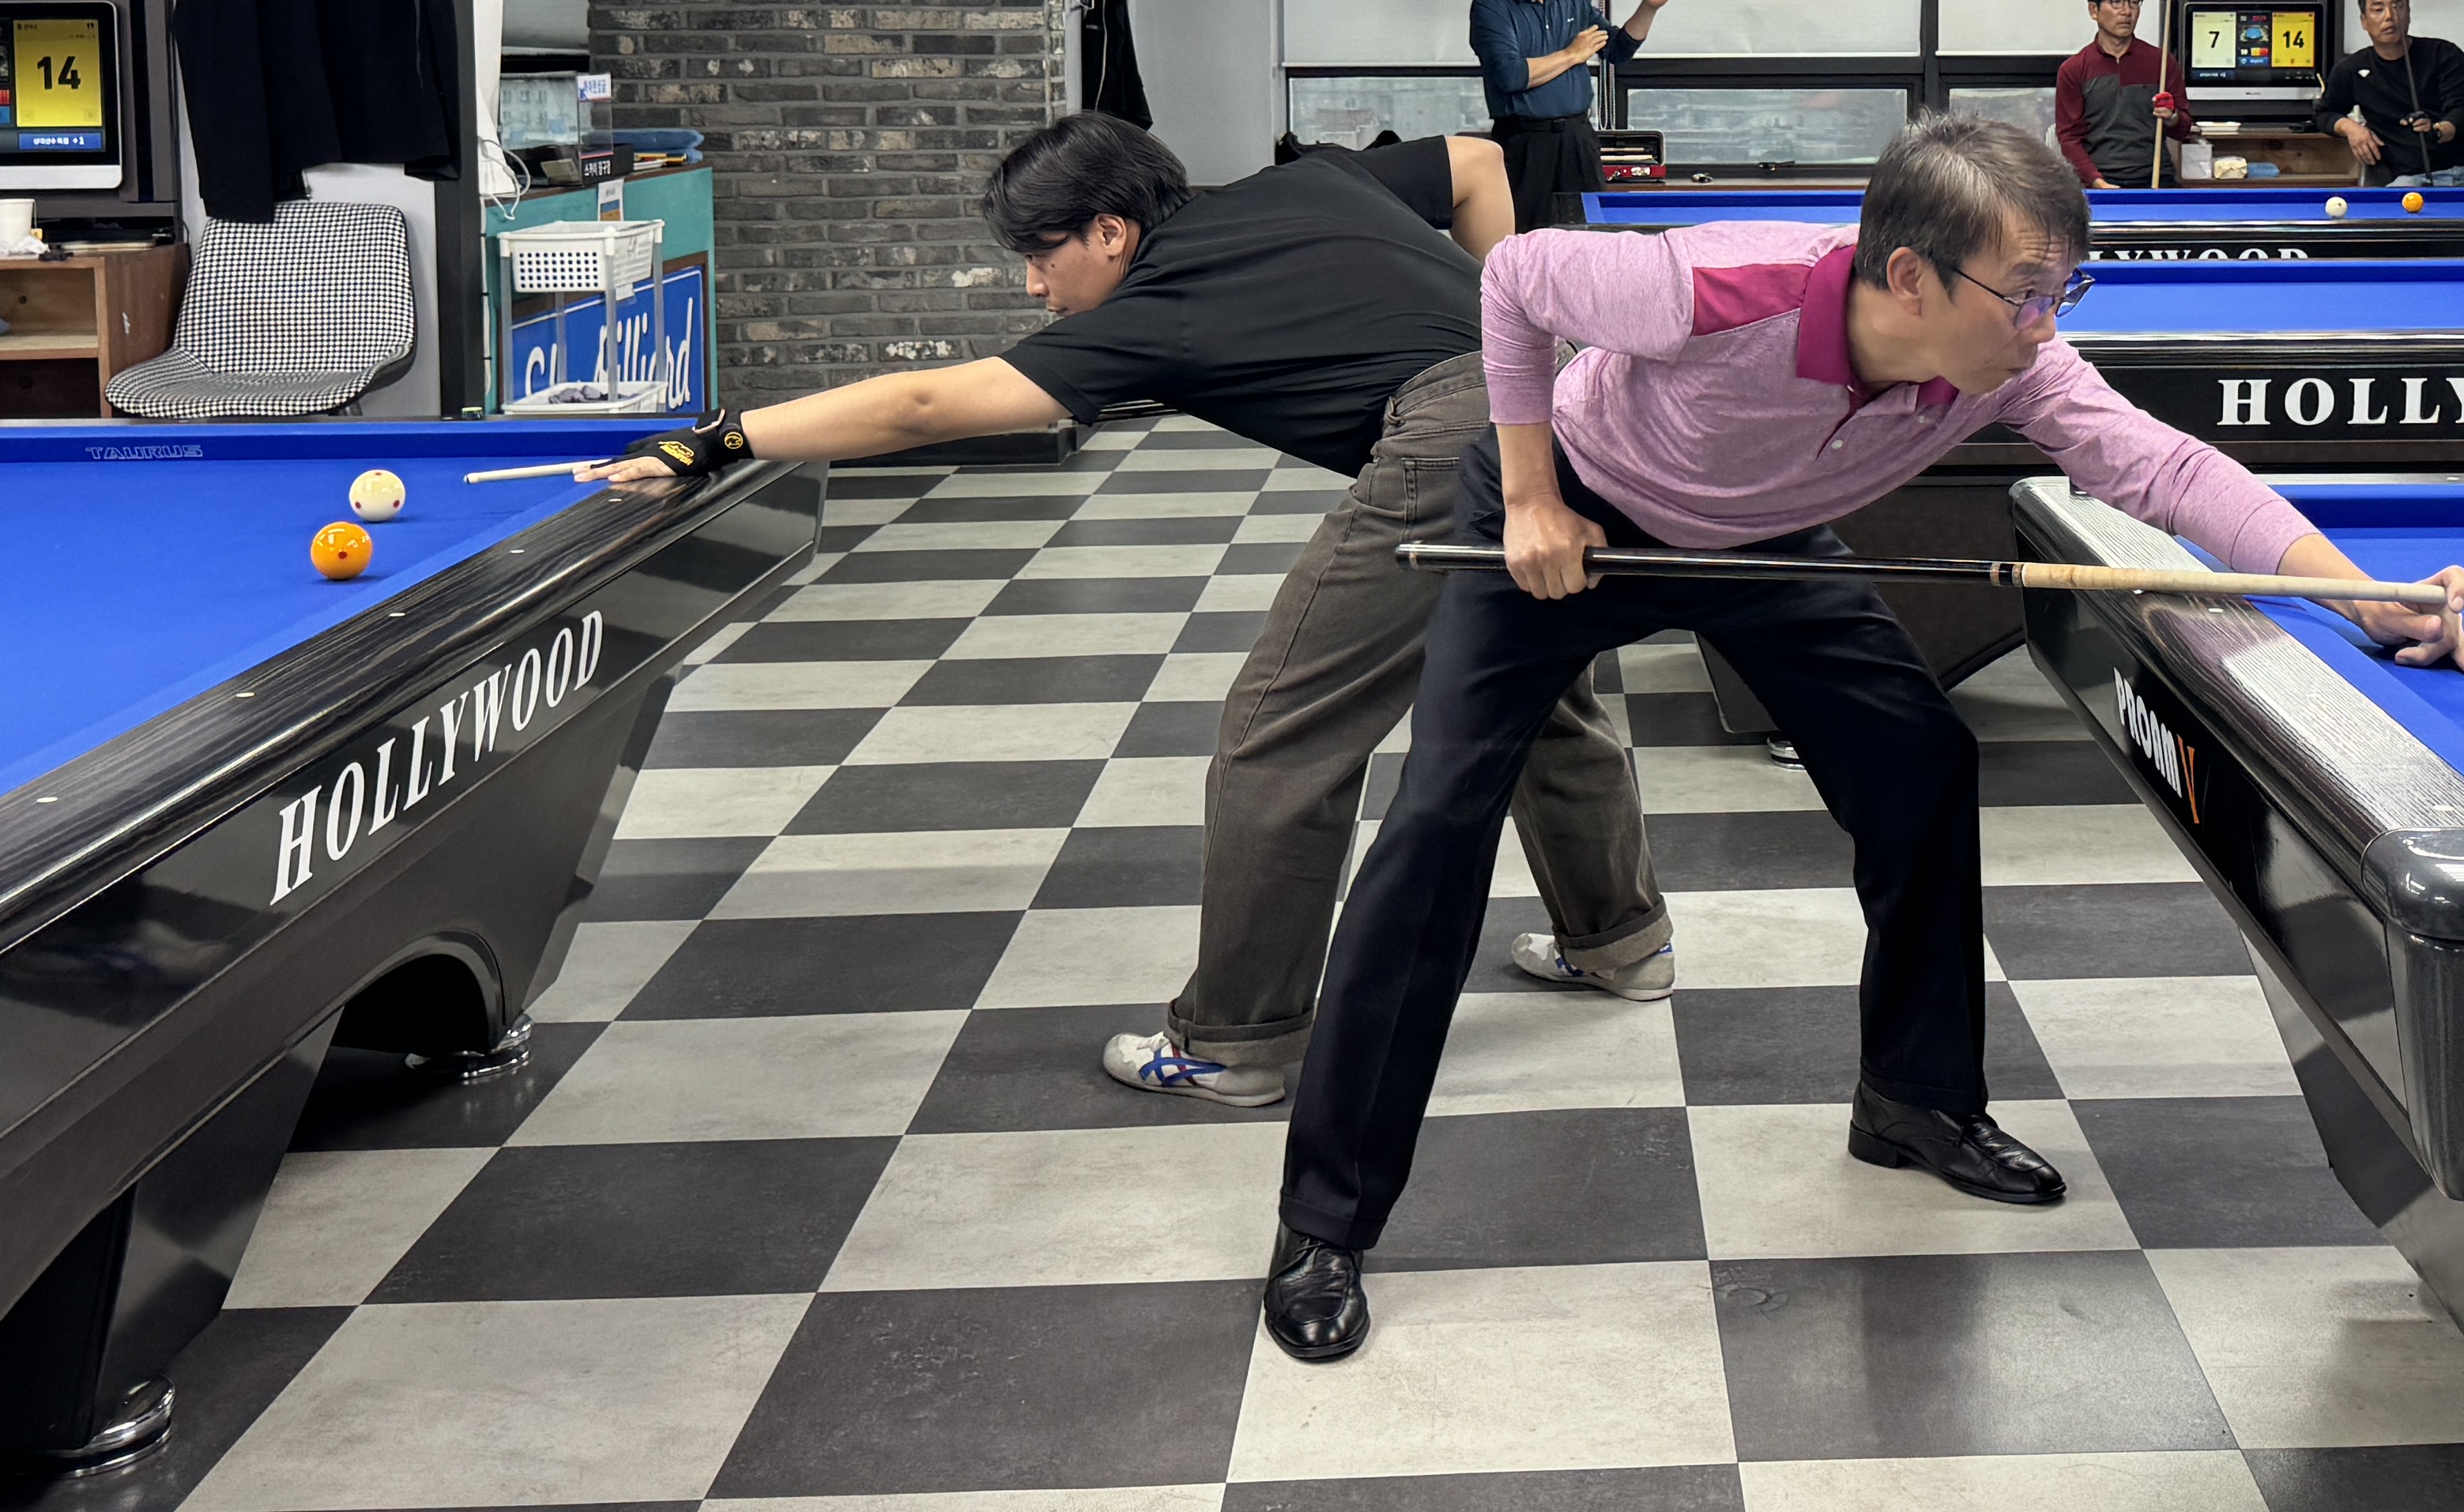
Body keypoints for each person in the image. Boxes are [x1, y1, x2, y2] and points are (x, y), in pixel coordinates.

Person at [1254, 115, 2464, 1365]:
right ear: (1909, 276)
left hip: (1763, 543)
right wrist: (1527, 494)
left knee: (1921, 764)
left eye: (2063, 292)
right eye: (2024, 292)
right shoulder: (1717, 285)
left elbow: (2165, 470)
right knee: (1436, 828)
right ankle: (1325, 1220)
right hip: (1576, 513)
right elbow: (1518, 279)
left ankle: (1916, 1099)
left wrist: (2357, 595)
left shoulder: (2016, 365)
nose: (2045, 326)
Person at [593, 111, 1665, 1107]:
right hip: (1577, 413)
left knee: (1280, 733)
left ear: (1110, 231)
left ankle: (1234, 1043)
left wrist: (725, 437)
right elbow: (1476, 163)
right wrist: (1511, 362)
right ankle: (1620, 941)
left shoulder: (1156, 306)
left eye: (1041, 255)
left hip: (1452, 447)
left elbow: (923, 406)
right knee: (1527, 686)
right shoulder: (1309, 182)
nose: (1033, 286)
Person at [1467, 0, 1681, 236]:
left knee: (1591, 237)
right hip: (1525, 144)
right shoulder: (1490, 7)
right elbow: (1511, 76)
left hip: (1578, 139)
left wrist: (1649, 7)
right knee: (1528, 238)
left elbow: (1617, 51)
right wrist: (1572, 55)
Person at [2321, 0, 2464, 183]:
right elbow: (2324, 113)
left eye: (2398, 6)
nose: (2390, 16)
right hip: (2408, 176)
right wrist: (2352, 128)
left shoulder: (2443, 54)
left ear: (2409, 13)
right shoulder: (2351, 69)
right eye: (2378, 9)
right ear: (2364, 21)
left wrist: (2438, 131)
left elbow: (2462, 110)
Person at [2048, 0, 2168, 191]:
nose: (2127, 11)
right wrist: (2096, 181)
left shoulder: (2161, 62)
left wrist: (2172, 117)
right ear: (2093, 10)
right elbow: (2069, 137)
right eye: (2116, 2)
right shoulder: (2074, 69)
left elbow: (2182, 128)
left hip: (2157, 178)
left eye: (2134, 2)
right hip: (2100, 178)